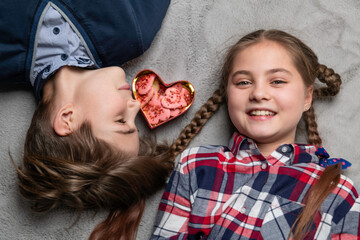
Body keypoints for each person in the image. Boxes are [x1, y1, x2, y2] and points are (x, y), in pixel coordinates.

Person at [0, 1, 186, 240]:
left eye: (121, 121)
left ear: (68, 119)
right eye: (135, 124)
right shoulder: (134, 28)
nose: (137, 105)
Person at [151, 29, 359, 239]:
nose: (258, 93)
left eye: (277, 81)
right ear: (227, 94)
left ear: (307, 97)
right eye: (243, 82)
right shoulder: (195, 165)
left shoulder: (339, 192)